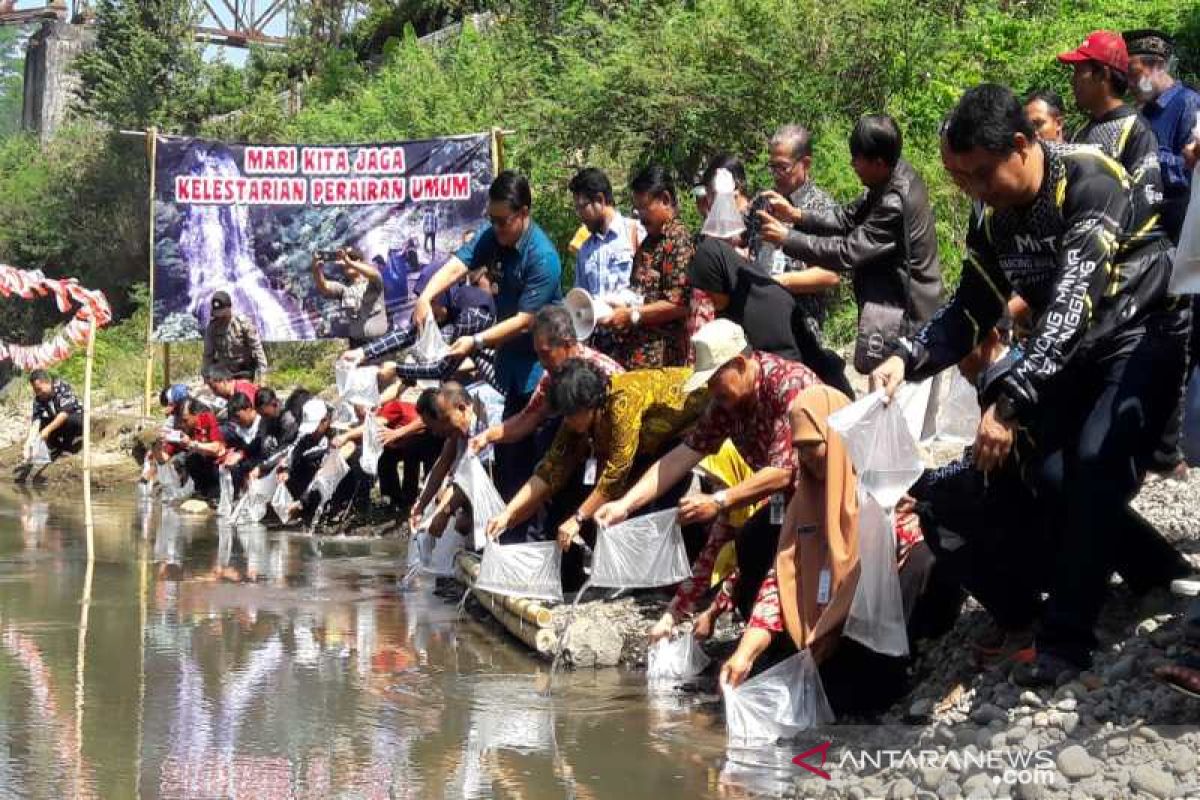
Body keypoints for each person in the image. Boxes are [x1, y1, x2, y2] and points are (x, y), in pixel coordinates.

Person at [872, 83, 1187, 686]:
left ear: (1022, 144)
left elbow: (1073, 299)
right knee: (1047, 473)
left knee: (1096, 460)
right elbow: (971, 305)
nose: (975, 191)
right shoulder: (997, 223)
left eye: (981, 174)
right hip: (1075, 348)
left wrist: (1009, 404)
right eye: (961, 180)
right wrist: (907, 358)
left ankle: (1067, 641)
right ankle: (1155, 569)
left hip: (1142, 331)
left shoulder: (1089, 180)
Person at [718, 386, 939, 716]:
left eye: (813, 446)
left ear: (837, 438)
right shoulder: (802, 504)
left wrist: (838, 620)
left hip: (867, 627)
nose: (805, 458)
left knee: (921, 559)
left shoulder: (879, 488)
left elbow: (902, 553)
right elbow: (779, 581)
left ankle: (897, 674)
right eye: (799, 449)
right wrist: (745, 652)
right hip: (820, 634)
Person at [595, 319, 821, 636]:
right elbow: (681, 456)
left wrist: (719, 500)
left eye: (715, 380)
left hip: (821, 494)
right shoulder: (725, 403)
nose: (712, 391)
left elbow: (784, 471)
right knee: (748, 544)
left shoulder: (788, 384)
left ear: (740, 364)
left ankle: (787, 642)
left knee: (769, 553)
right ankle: (758, 640)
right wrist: (625, 505)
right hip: (782, 499)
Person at [756, 114, 943, 377]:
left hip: (907, 317)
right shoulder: (890, 177)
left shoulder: (894, 201)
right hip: (889, 308)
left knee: (897, 402)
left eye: (857, 159)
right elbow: (846, 216)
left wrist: (787, 239)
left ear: (878, 162)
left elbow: (847, 252)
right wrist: (796, 215)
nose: (852, 164)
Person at [412, 171, 562, 496]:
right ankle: (511, 538)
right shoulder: (493, 234)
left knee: (538, 467)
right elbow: (458, 265)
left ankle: (541, 541)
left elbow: (524, 320)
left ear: (523, 213)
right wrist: (425, 296)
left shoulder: (543, 258)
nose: (496, 228)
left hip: (542, 372)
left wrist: (476, 342)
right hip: (511, 371)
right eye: (491, 220)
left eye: (503, 221)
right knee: (510, 466)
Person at [486, 361, 709, 566]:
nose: (568, 421)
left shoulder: (623, 401)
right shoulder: (576, 419)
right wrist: (508, 513)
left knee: (647, 509)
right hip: (651, 445)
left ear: (589, 405)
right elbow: (550, 468)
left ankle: (664, 573)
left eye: (571, 415)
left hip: (687, 429)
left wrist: (578, 518)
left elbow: (617, 472)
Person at [757, 125, 851, 392]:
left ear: (805, 163)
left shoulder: (821, 208)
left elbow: (830, 274)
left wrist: (777, 282)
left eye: (783, 167)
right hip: (763, 329)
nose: (776, 175)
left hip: (802, 333)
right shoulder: (762, 203)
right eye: (771, 167)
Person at [688, 154, 806, 362]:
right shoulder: (719, 227)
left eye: (713, 194)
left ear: (737, 187)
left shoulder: (762, 210)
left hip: (784, 318)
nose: (710, 202)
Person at [469, 306, 624, 456]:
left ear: (567, 344)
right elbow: (528, 418)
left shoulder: (606, 375)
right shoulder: (551, 378)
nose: (542, 363)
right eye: (538, 355)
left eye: (545, 354)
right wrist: (487, 436)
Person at [1058, 30, 1165, 237]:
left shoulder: (1135, 129)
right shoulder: (1081, 131)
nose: (1073, 81)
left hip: (1124, 257)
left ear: (1103, 74)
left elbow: (1146, 201)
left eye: (1079, 72)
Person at [602, 165, 696, 369]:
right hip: (633, 357)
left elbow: (680, 304)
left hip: (662, 362)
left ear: (665, 200)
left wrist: (634, 315)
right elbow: (640, 293)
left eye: (645, 207)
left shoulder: (678, 241)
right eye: (637, 209)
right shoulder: (649, 242)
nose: (640, 216)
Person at [341, 264, 497, 384]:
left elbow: (442, 369)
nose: (427, 311)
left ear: (442, 294)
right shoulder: (450, 306)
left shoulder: (472, 312)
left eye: (430, 302)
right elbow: (410, 334)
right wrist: (362, 353)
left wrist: (397, 369)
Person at [1125, 29, 1200, 243]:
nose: (1129, 84)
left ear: (1158, 66)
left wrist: (1149, 158)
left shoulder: (1188, 103)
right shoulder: (1142, 111)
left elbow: (1192, 172)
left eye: (1134, 73)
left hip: (1182, 234)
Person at [409, 383, 493, 542]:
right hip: (481, 472)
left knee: (465, 521)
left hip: (505, 468)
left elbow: (477, 476)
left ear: (461, 408)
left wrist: (445, 512)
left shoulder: (485, 415)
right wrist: (421, 506)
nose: (437, 432)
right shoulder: (457, 425)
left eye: (442, 422)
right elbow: (443, 464)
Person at [569, 167, 641, 299]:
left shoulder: (635, 232)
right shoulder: (584, 250)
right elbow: (581, 300)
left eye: (582, 207)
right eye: (577, 209)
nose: (580, 215)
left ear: (600, 200)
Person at [312, 247, 388, 347]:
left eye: (352, 257)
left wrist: (349, 262)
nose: (346, 261)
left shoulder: (373, 283)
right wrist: (316, 269)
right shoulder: (345, 289)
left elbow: (375, 274)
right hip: (357, 344)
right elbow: (324, 286)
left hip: (380, 343)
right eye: (344, 259)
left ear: (361, 262)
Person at [18, 370, 83, 478]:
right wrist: (29, 441)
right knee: (41, 425)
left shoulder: (61, 387)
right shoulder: (39, 398)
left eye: (39, 389)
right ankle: (57, 447)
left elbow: (64, 413)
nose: (38, 393)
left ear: (47, 383)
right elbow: (36, 421)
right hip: (58, 424)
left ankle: (67, 447)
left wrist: (47, 430)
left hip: (75, 419)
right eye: (35, 390)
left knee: (70, 420)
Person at [202, 290, 269, 381]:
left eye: (223, 313)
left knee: (241, 393)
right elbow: (208, 354)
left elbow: (257, 348)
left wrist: (263, 375)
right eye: (218, 313)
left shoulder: (242, 323)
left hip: (244, 370)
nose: (221, 317)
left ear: (229, 308)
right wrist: (206, 376)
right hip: (224, 372)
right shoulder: (212, 328)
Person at [165, 398, 225, 497]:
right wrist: (156, 447)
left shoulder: (208, 418)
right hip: (196, 466)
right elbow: (165, 456)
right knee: (182, 460)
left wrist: (192, 444)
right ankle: (198, 491)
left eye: (186, 420)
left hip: (215, 465)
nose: (183, 424)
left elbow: (217, 448)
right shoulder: (180, 427)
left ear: (195, 415)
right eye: (181, 421)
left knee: (193, 456)